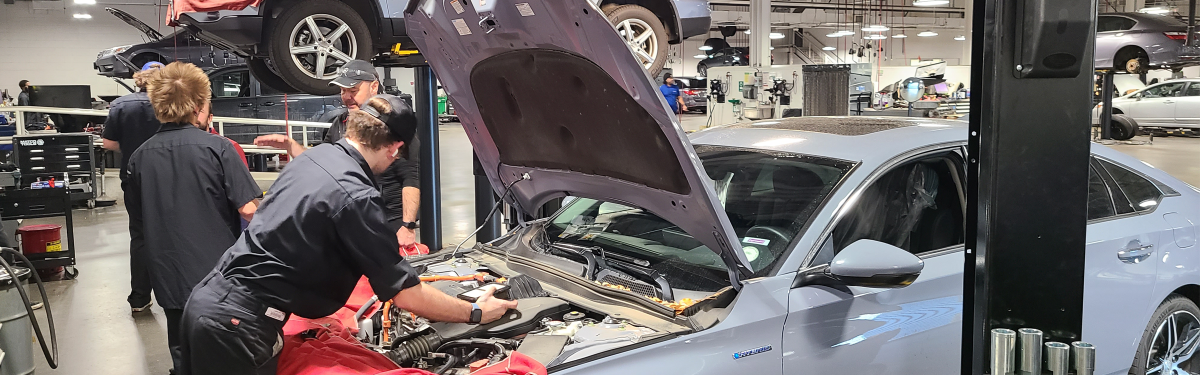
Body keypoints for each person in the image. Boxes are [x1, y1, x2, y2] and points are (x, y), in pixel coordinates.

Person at [179, 95, 516, 375]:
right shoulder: (355, 195)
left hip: (210, 303)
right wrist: (475, 312)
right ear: (394, 148)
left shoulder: (317, 157)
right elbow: (407, 296)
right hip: (238, 324)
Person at [128, 62, 262, 373]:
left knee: (181, 348)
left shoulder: (139, 157)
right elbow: (249, 211)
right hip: (216, 276)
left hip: (167, 275)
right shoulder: (219, 149)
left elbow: (139, 226)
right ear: (199, 106)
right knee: (225, 350)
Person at [254, 60, 422, 248]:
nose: (347, 97)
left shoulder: (395, 127)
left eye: (353, 90)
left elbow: (411, 179)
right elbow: (323, 166)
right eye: (343, 91)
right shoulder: (339, 125)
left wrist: (407, 226)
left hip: (388, 223)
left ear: (374, 87)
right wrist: (292, 147)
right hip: (352, 222)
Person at [101, 61, 165, 314]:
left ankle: (139, 298)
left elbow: (107, 143)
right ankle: (183, 294)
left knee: (140, 236)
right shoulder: (169, 103)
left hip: (133, 178)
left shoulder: (121, 105)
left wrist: (130, 148)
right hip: (169, 177)